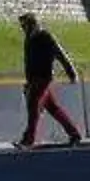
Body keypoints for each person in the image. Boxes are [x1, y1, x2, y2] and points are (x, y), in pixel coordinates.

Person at [13, 14, 81, 149]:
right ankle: (74, 134)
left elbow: (61, 55)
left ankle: (28, 140)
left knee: (34, 106)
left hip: (44, 78)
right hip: (34, 79)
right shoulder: (28, 39)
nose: (22, 28)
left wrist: (71, 73)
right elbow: (29, 63)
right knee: (53, 108)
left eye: (24, 25)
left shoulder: (45, 37)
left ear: (32, 24)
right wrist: (28, 82)